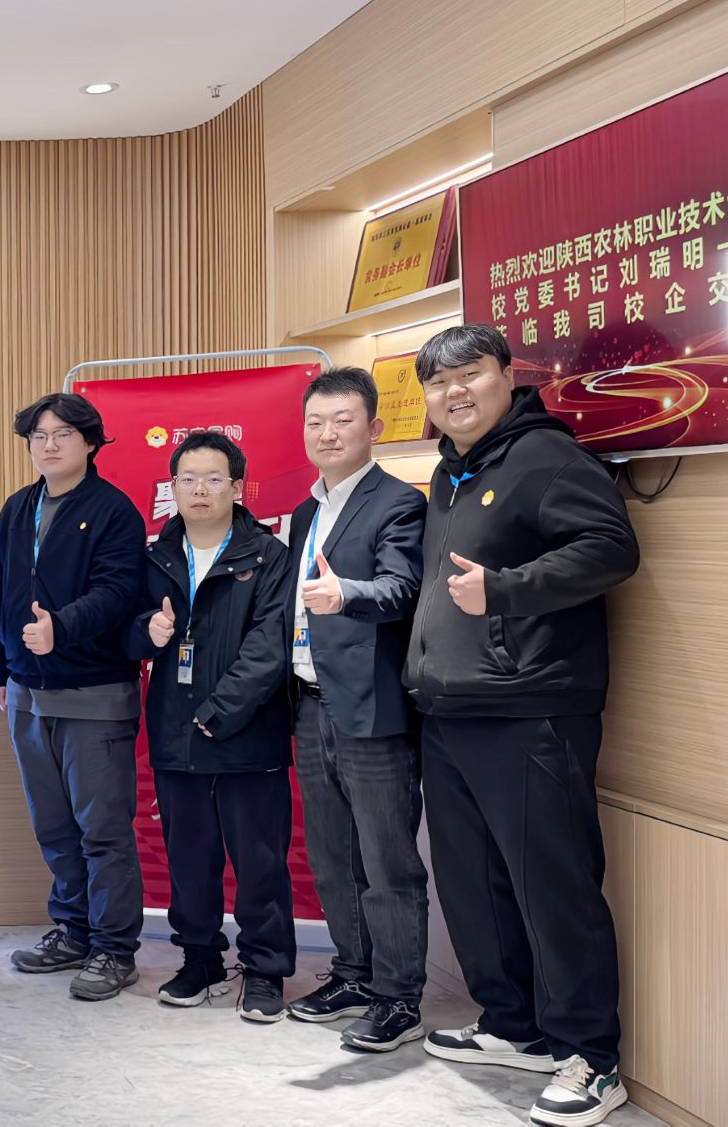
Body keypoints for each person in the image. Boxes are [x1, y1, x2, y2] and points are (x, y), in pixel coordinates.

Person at [406, 325, 638, 1127]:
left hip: (531, 707)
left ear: (508, 375)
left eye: (469, 374)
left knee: (553, 889)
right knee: (475, 886)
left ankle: (592, 1059)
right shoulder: (452, 471)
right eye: (438, 383)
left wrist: (506, 590)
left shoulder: (546, 458)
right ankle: (515, 1025)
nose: (454, 393)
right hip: (451, 709)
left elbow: (611, 549)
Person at [280, 368, 431, 1052]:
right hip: (310, 704)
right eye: (315, 422)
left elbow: (402, 588)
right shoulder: (305, 510)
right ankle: (354, 973)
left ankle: (398, 997)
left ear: (373, 427)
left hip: (373, 709)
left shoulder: (398, 501)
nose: (327, 433)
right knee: (332, 858)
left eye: (342, 420)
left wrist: (347, 595)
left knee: (387, 862)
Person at [0, 393, 149, 1003]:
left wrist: (62, 627)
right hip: (27, 692)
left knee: (102, 830)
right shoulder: (18, 506)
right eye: (39, 436)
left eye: (62, 434)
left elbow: (117, 592)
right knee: (53, 826)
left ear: (90, 442)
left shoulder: (113, 510)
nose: (48, 445)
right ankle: (74, 931)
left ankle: (115, 949)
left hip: (93, 693)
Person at [126, 432, 295, 1023]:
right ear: (172, 488)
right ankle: (200, 960)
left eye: (214, 478)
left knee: (260, 861)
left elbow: (271, 646)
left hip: (249, 734)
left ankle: (266, 968)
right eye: (188, 479)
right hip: (175, 731)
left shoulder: (268, 555)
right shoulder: (155, 556)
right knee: (188, 858)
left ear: (237, 486)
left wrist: (218, 713)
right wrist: (146, 632)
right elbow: (124, 630)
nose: (200, 489)